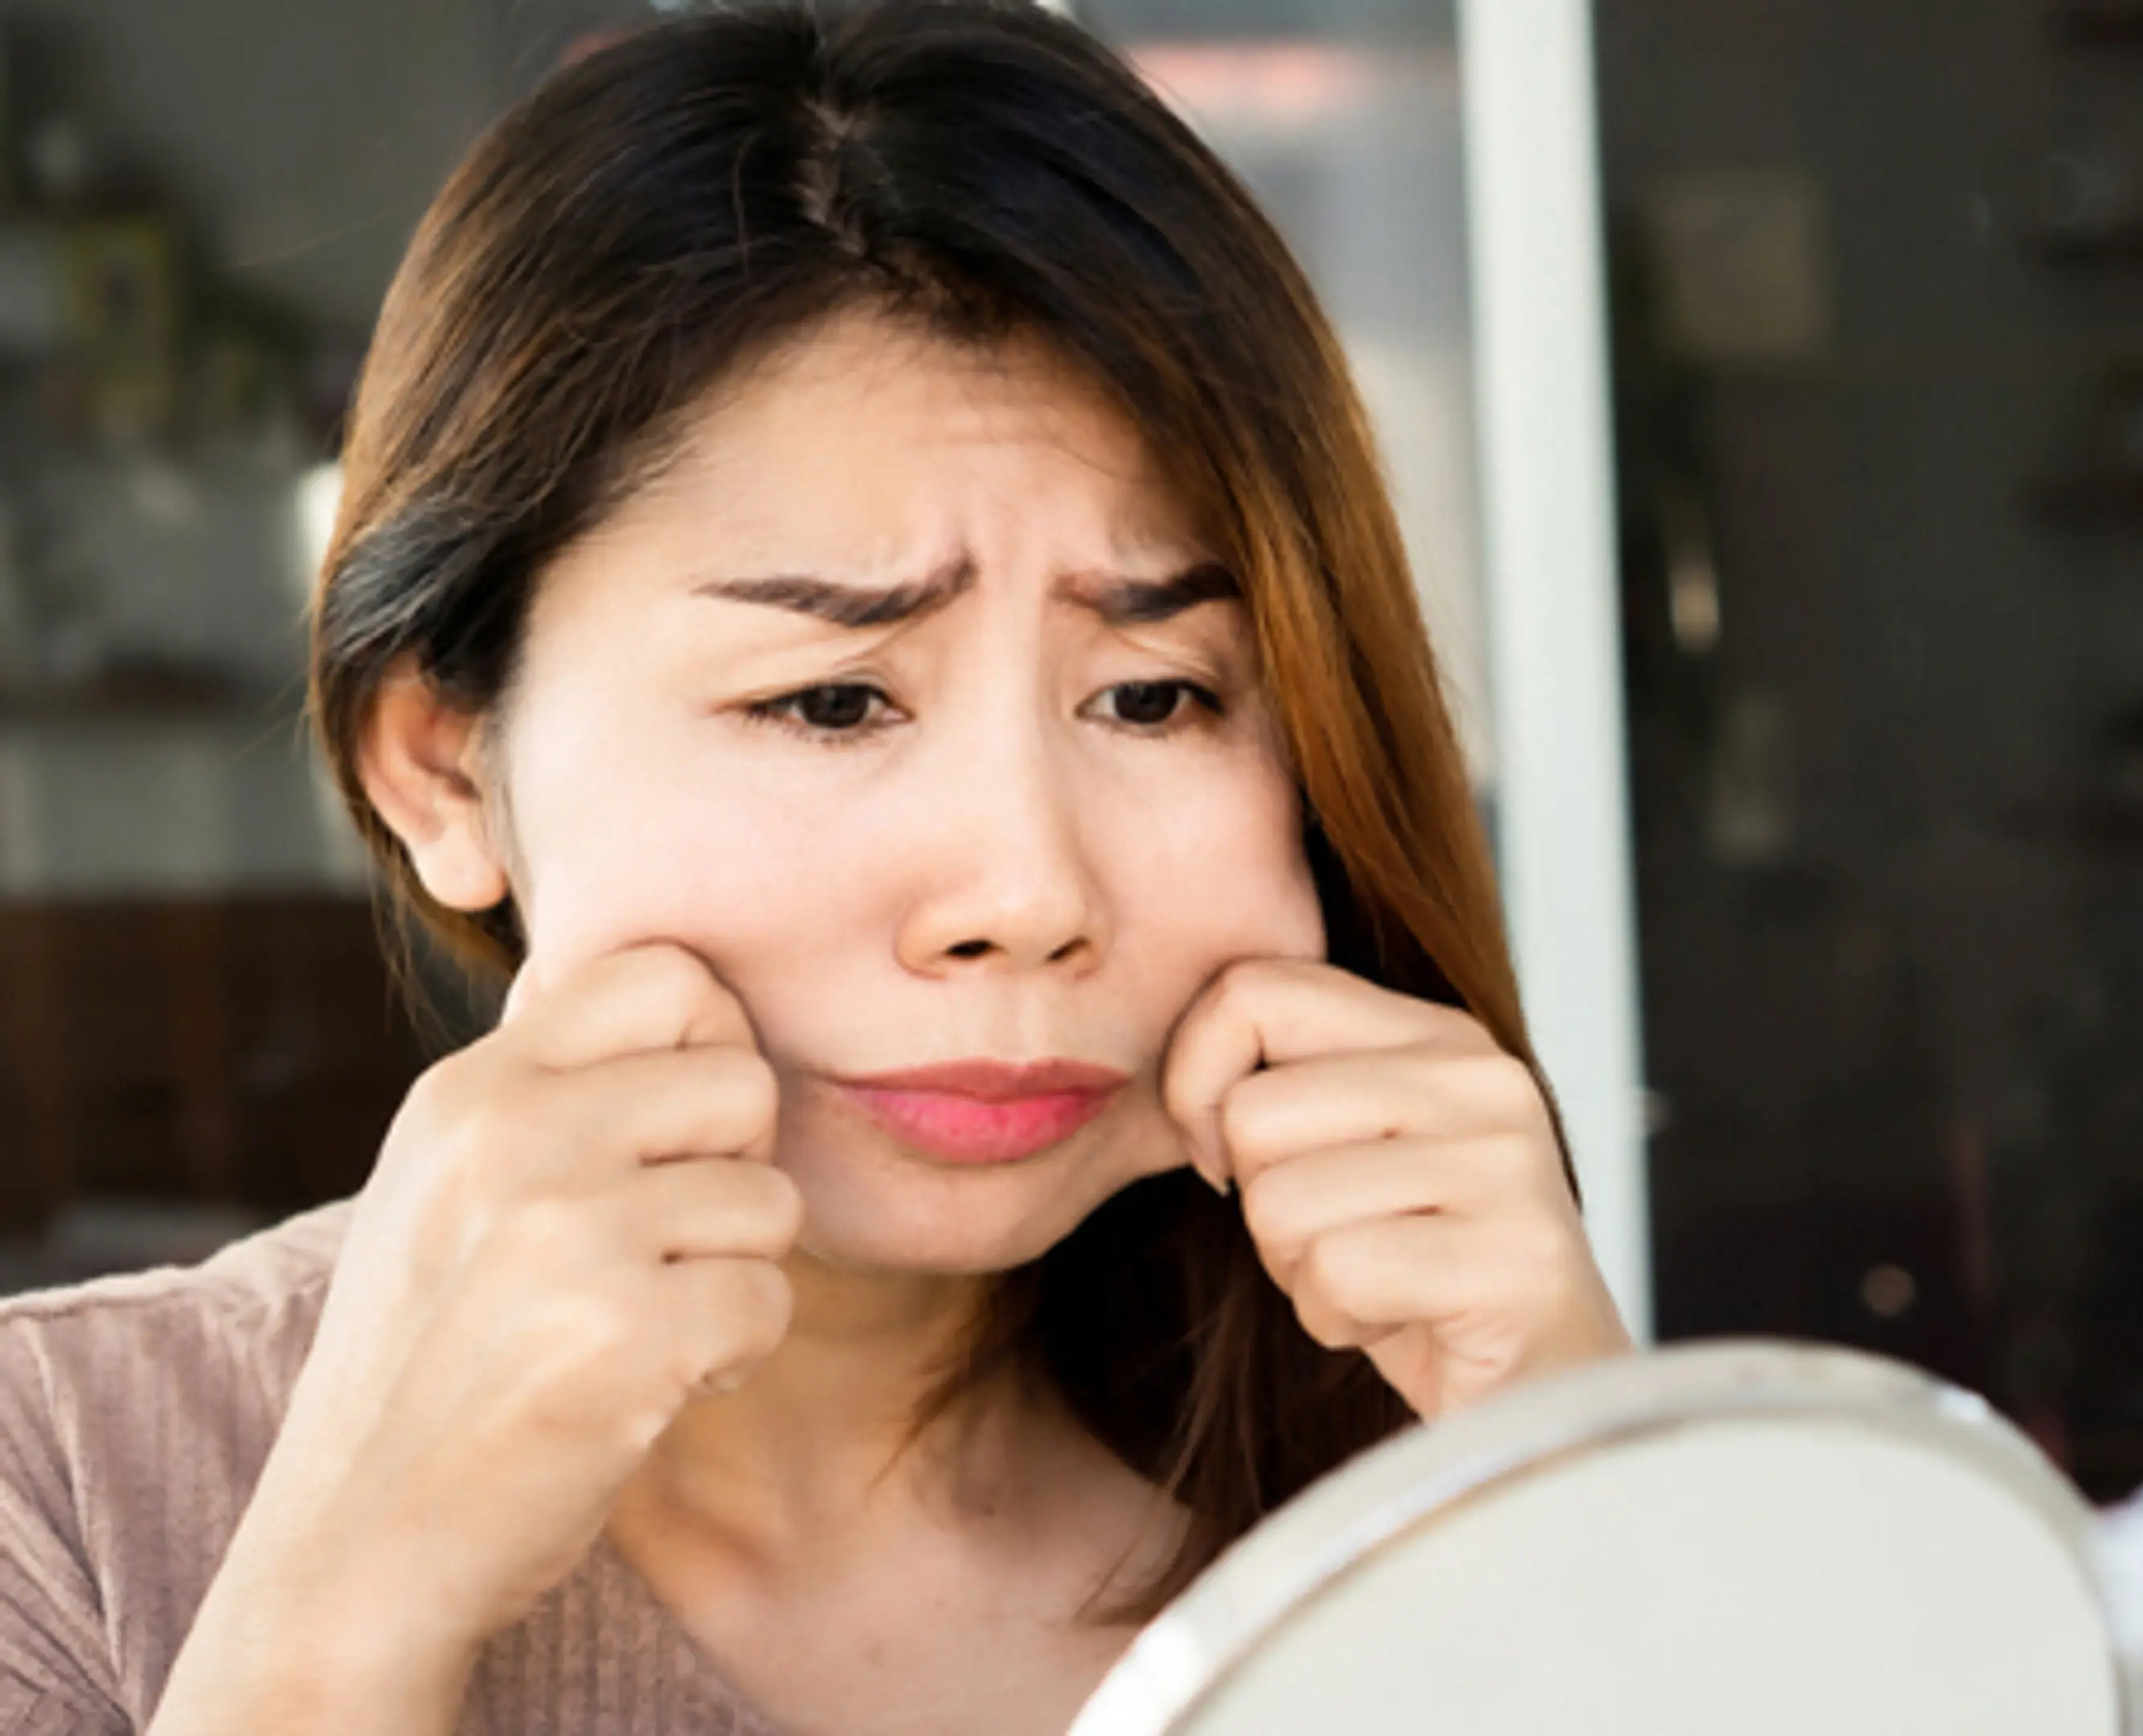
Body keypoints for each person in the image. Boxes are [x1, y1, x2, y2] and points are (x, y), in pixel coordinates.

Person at [0, 5, 1633, 1731]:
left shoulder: (1441, 1495)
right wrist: (351, 1594)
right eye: (833, 699)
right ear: (439, 764)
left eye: (1153, 697)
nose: (1026, 891)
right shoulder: (66, 1494)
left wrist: (1605, 1487)